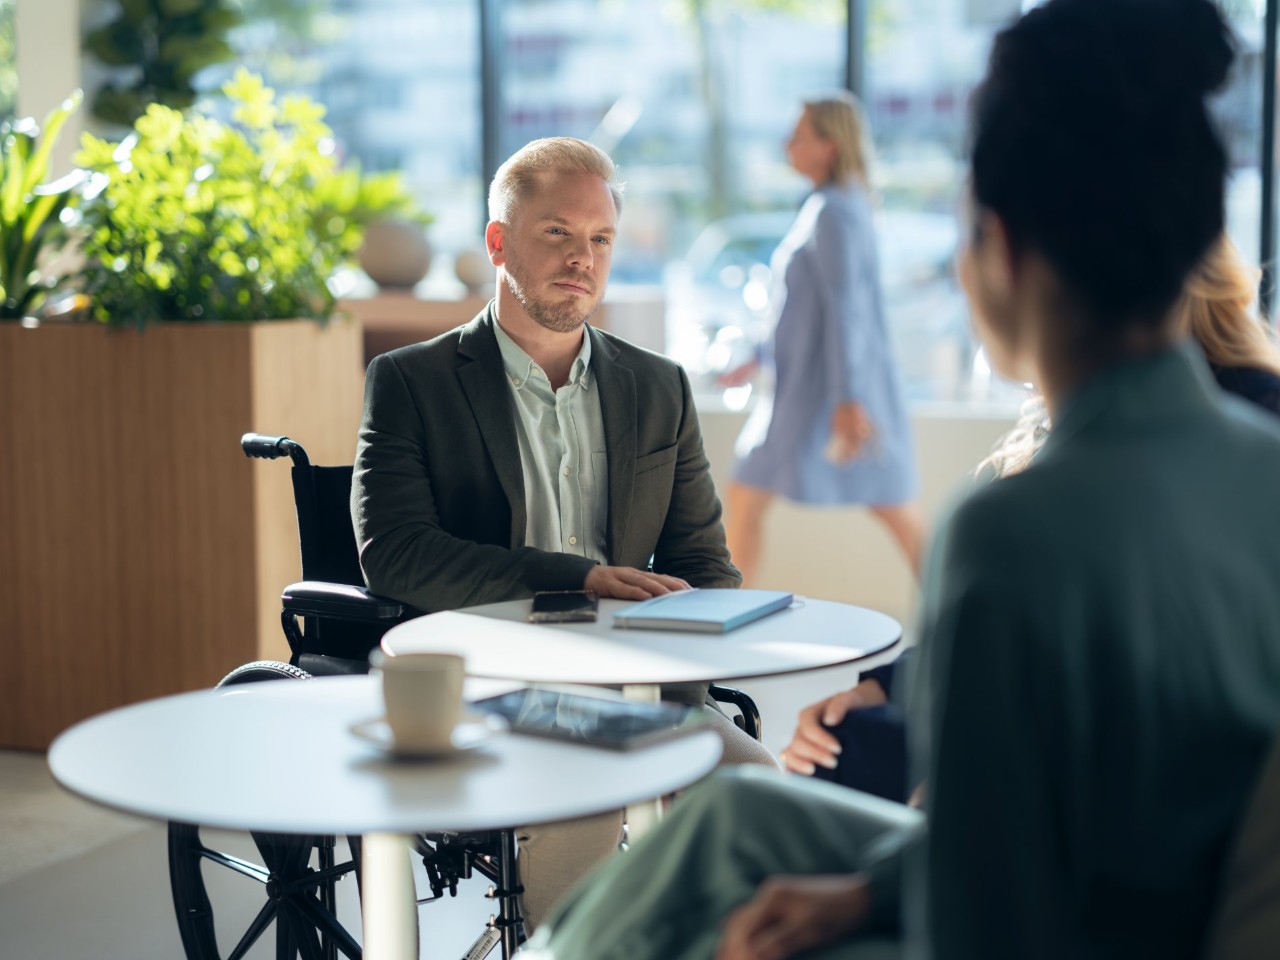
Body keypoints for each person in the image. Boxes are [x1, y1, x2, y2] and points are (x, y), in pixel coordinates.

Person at [519, 1, 1280, 957]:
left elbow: (980, 921)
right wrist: (865, 890)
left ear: (1002, 254)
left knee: (727, 893)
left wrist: (865, 910)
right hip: (1158, 890)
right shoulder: (1260, 469)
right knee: (739, 816)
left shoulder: (1015, 531)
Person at [350, 136, 776, 928]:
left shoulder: (659, 387)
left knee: (768, 801)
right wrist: (573, 577)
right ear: (498, 241)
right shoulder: (412, 383)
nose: (583, 257)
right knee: (587, 797)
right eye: (557, 233)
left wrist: (671, 678)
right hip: (493, 689)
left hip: (647, 692)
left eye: (601, 239)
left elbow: (705, 566)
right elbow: (395, 553)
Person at [782, 231, 1280, 798]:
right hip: (1088, 749)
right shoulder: (1085, 423)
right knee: (832, 744)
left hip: (1148, 779)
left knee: (771, 799)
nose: (966, 272)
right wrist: (889, 685)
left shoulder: (1246, 432)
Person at [722, 93, 924, 582]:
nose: (788, 144)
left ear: (829, 146)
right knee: (745, 497)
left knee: (891, 506)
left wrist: (850, 398)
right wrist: (759, 356)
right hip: (800, 394)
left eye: (800, 135)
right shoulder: (825, 207)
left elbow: (846, 307)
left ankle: (967, 614)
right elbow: (805, 308)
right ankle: (728, 608)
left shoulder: (835, 211)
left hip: (829, 393)